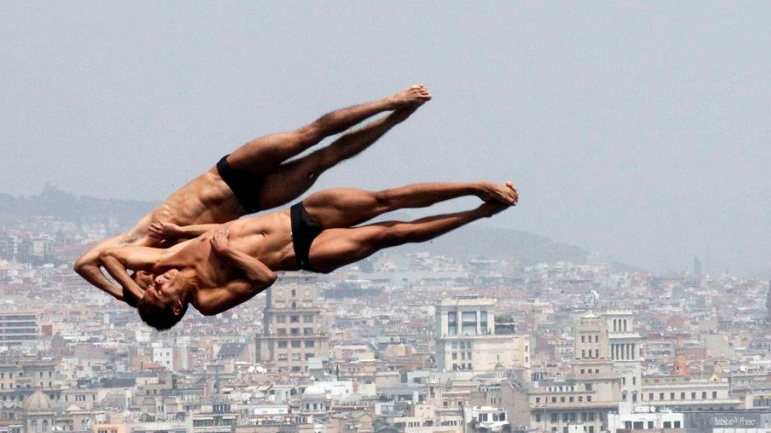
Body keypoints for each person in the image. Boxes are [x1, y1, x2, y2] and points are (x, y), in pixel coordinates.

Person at [74, 85, 432, 304]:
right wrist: (142, 296)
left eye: (144, 281)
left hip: (227, 175)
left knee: (305, 136)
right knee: (323, 160)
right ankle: (393, 120)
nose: (151, 281)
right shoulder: (179, 260)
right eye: (150, 286)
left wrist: (127, 294)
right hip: (252, 202)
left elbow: (85, 263)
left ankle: (387, 102)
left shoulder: (134, 244)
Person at [98, 180, 519, 329]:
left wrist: (135, 288)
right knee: (390, 234)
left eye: (154, 284)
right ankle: (479, 212)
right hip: (303, 251)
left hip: (299, 214)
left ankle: (474, 187)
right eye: (160, 291)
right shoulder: (206, 301)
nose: (158, 281)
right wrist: (230, 254)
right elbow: (264, 279)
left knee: (385, 199)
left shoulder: (168, 259)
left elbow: (107, 257)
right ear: (176, 309)